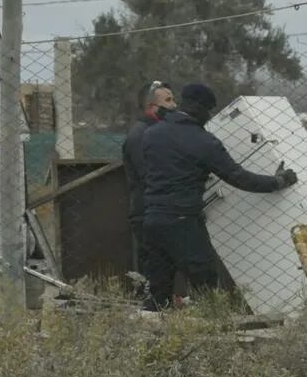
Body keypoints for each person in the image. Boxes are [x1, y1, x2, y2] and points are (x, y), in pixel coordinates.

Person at [140, 83, 298, 310]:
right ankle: (210, 328)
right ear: (201, 110)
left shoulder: (152, 134)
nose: (209, 116)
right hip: (183, 220)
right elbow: (239, 178)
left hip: (153, 219)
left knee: (158, 287)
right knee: (205, 281)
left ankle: (155, 331)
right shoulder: (204, 141)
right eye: (208, 111)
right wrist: (278, 181)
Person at [121, 81, 177, 278]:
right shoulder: (141, 135)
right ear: (152, 107)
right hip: (147, 210)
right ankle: (152, 304)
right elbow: (149, 175)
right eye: (168, 100)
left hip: (160, 208)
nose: (174, 105)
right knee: (154, 262)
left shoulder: (158, 131)